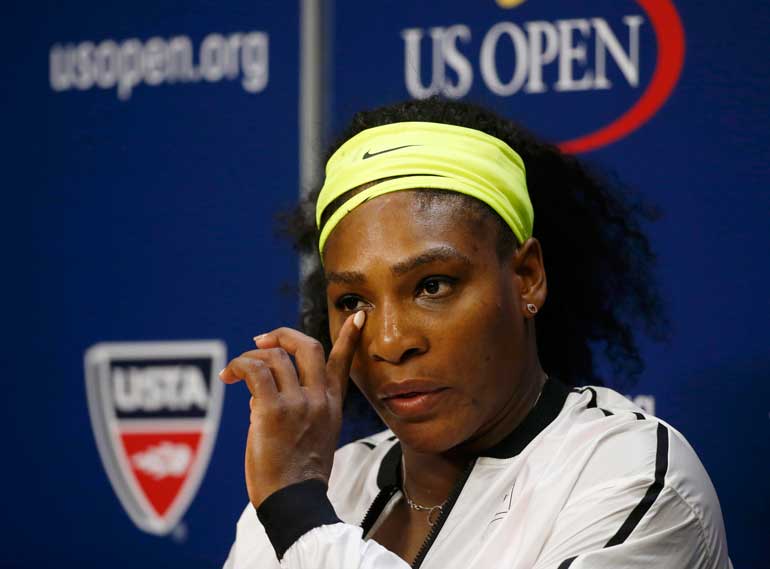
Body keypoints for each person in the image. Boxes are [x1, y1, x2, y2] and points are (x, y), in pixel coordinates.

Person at [220, 98, 732, 568]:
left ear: (527, 277)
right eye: (353, 301)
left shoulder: (631, 476)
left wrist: (300, 518)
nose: (391, 342)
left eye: (432, 285)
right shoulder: (319, 485)